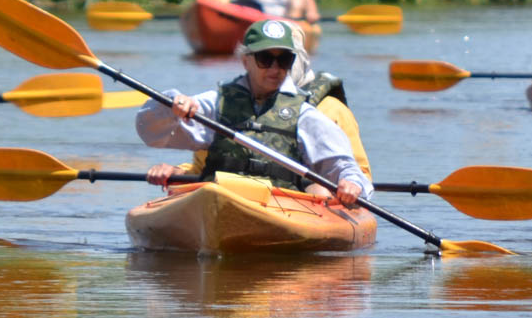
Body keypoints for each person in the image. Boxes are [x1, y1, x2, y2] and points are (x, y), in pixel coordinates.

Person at [139, 19, 371, 205]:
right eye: (265, 58)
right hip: (220, 197)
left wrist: (351, 182)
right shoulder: (215, 103)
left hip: (280, 204)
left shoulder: (305, 114)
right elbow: (150, 132)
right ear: (245, 61)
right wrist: (170, 106)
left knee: (321, 190)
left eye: (284, 60)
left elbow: (343, 164)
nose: (275, 68)